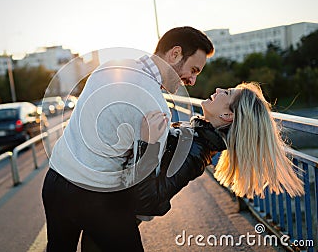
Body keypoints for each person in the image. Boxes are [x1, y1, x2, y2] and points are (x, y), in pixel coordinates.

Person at [41, 26, 214, 252]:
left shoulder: (111, 67)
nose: (192, 80)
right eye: (193, 70)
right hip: (96, 198)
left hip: (55, 182)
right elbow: (144, 184)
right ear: (175, 54)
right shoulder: (155, 106)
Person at [134, 82, 304, 218]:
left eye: (227, 93)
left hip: (117, 220)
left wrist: (147, 143)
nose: (218, 89)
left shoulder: (196, 152)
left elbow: (148, 201)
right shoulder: (195, 136)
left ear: (227, 116)